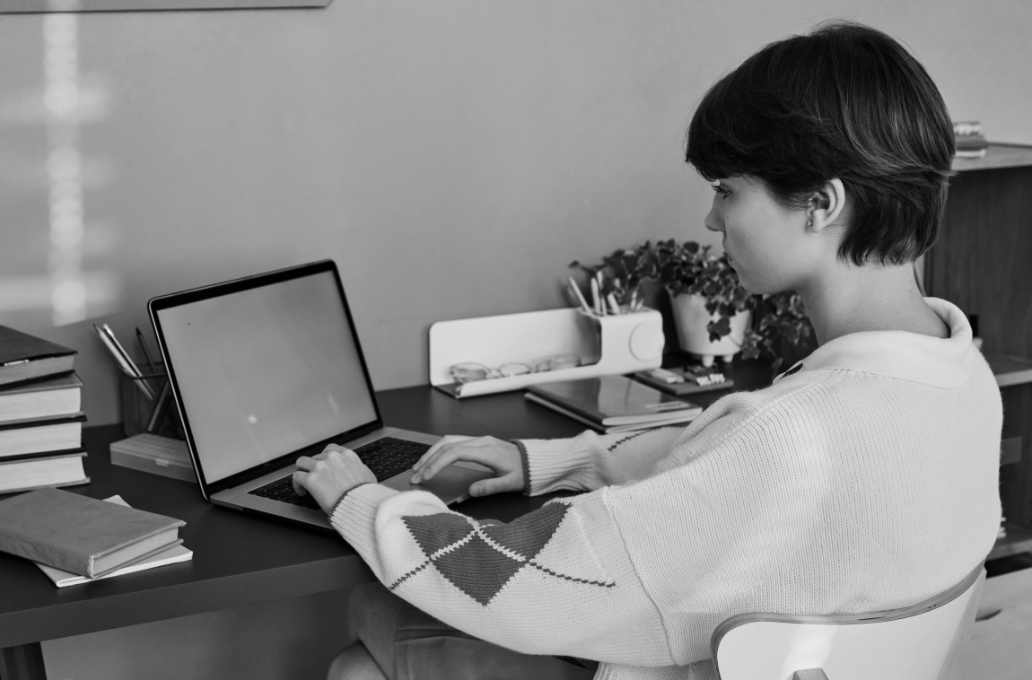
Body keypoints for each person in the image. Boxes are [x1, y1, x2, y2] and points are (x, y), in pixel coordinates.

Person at [293, 21, 1003, 680]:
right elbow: (715, 468)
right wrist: (553, 461)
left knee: (373, 608)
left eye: (727, 190)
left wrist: (361, 498)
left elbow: (520, 580)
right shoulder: (964, 377)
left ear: (821, 204)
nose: (712, 217)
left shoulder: (791, 437)